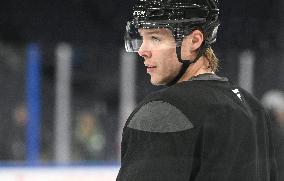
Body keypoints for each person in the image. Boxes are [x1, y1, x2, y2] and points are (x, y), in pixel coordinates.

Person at [116, 0, 278, 180]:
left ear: (194, 41)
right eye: (142, 37)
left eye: (155, 38)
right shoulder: (253, 108)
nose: (142, 50)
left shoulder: (163, 110)